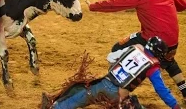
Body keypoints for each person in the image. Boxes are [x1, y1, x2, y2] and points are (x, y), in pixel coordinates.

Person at [86, 0, 186, 102]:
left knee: (118, 48)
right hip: (172, 42)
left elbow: (116, 3)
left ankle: (117, 88)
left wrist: (93, 6)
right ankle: (185, 90)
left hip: (151, 39)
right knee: (167, 58)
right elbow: (182, 5)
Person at [41, 36, 181, 109]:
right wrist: (175, 105)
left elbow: (111, 57)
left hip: (104, 82)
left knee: (82, 97)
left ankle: (55, 105)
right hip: (119, 95)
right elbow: (161, 90)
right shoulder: (153, 67)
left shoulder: (135, 48)